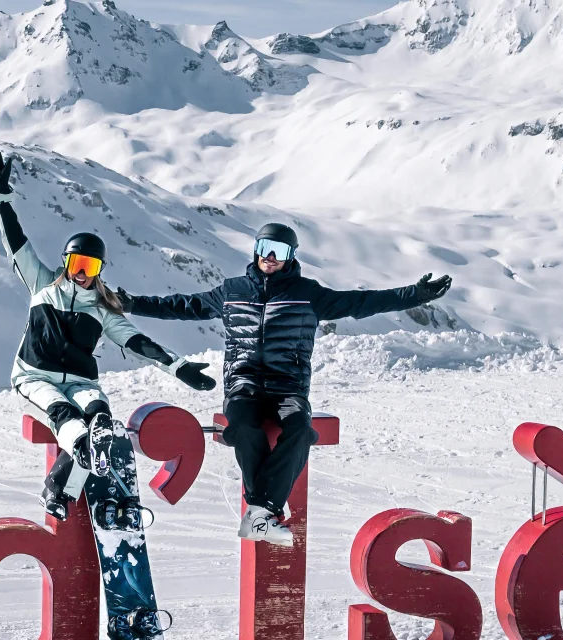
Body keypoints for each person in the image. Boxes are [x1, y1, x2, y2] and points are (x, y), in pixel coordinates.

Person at [0, 149, 215, 640]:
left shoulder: (101, 308)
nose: (81, 271)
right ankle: (62, 489)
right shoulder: (42, 284)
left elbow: (137, 340)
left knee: (103, 429)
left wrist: (179, 368)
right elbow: (14, 241)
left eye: (90, 264)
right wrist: (0, 192)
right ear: (66, 262)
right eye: (75, 262)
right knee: (69, 420)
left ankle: (62, 488)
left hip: (84, 381)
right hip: (36, 376)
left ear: (99, 268)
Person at [115, 223, 452, 546]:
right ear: (256, 250)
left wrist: (415, 295)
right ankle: (263, 512)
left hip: (287, 387)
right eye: (264, 248)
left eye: (279, 250)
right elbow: (182, 306)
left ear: (291, 255)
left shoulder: (308, 295)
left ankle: (261, 512)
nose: (270, 256)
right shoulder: (232, 291)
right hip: (243, 385)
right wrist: (132, 304)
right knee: (242, 429)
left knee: (301, 431)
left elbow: (362, 303)